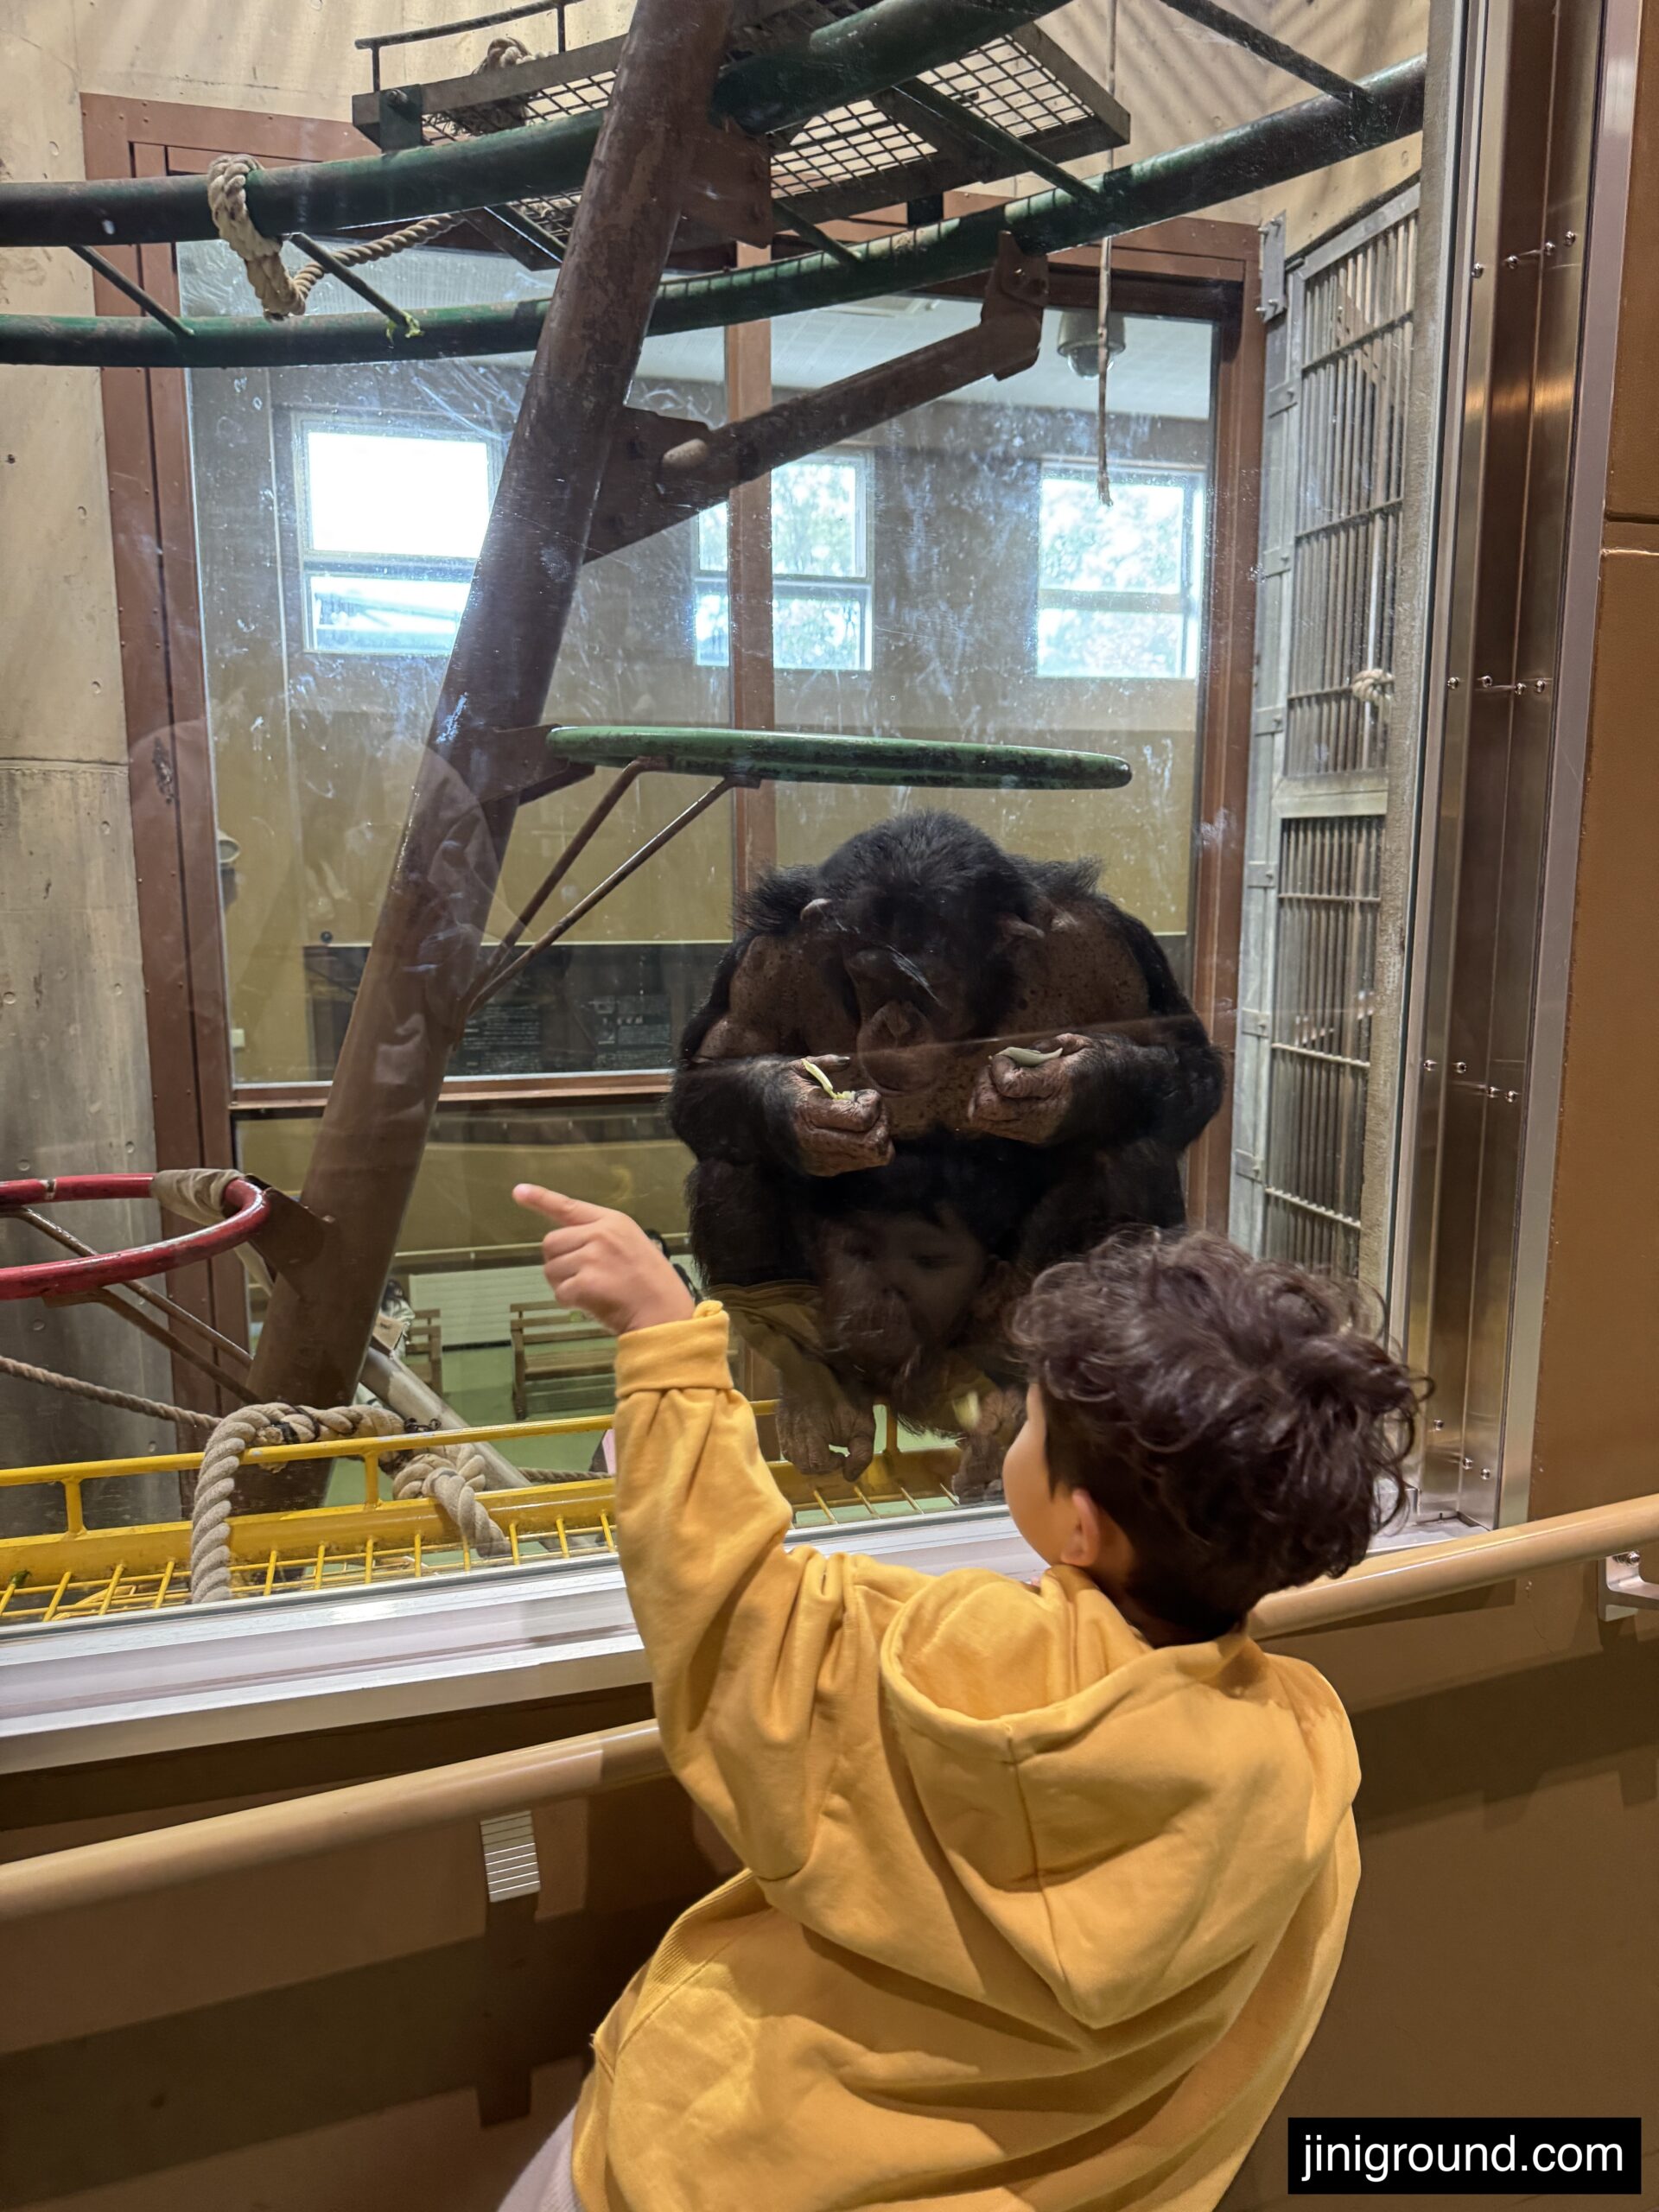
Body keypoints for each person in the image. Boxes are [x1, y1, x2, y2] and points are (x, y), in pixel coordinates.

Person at [502, 1187, 1419, 2212]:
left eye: (1029, 1420)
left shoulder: (943, 1668)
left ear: (1080, 1528)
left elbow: (729, 1605)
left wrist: (664, 1341)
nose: (1011, 1425)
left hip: (729, 2174)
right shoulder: (1303, 1766)